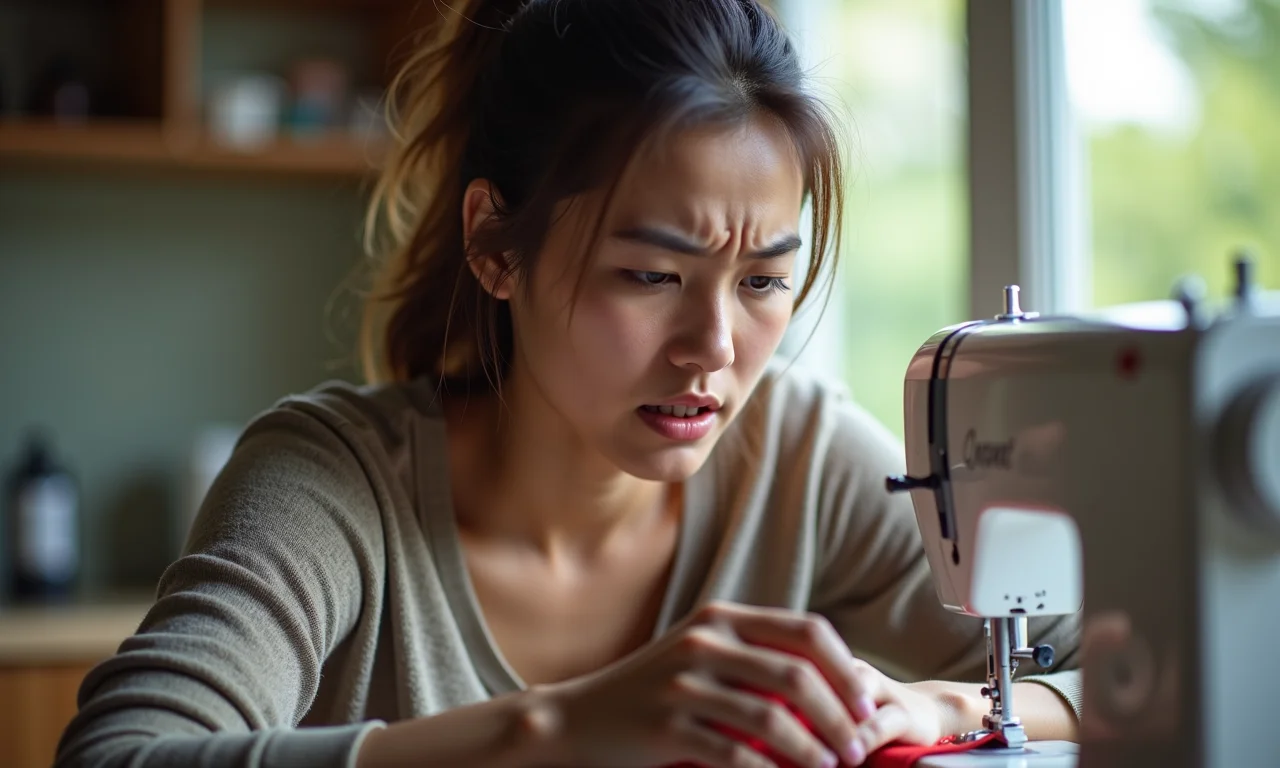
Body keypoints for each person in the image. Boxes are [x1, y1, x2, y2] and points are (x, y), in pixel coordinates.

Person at [55, 1, 1082, 766]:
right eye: (649, 275)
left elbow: (1155, 670)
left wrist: (946, 707)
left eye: (763, 280)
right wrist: (561, 727)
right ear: (494, 245)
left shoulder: (800, 456)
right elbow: (120, 756)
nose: (711, 346)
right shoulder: (336, 485)